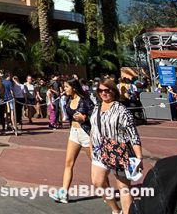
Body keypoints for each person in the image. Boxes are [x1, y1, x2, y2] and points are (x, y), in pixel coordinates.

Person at [90, 79, 143, 214]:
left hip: (118, 150)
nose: (104, 93)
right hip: (99, 150)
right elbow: (93, 129)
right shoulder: (97, 107)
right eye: (101, 91)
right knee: (98, 182)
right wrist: (91, 146)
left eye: (107, 90)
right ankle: (115, 209)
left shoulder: (122, 110)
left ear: (114, 91)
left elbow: (133, 135)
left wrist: (139, 157)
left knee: (123, 186)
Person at [50, 78, 94, 204]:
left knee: (96, 164)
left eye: (66, 87)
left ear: (73, 88)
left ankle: (105, 190)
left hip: (85, 133)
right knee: (68, 163)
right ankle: (64, 193)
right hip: (74, 133)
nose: (64, 89)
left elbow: (95, 115)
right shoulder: (69, 100)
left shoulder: (85, 100)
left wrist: (85, 118)